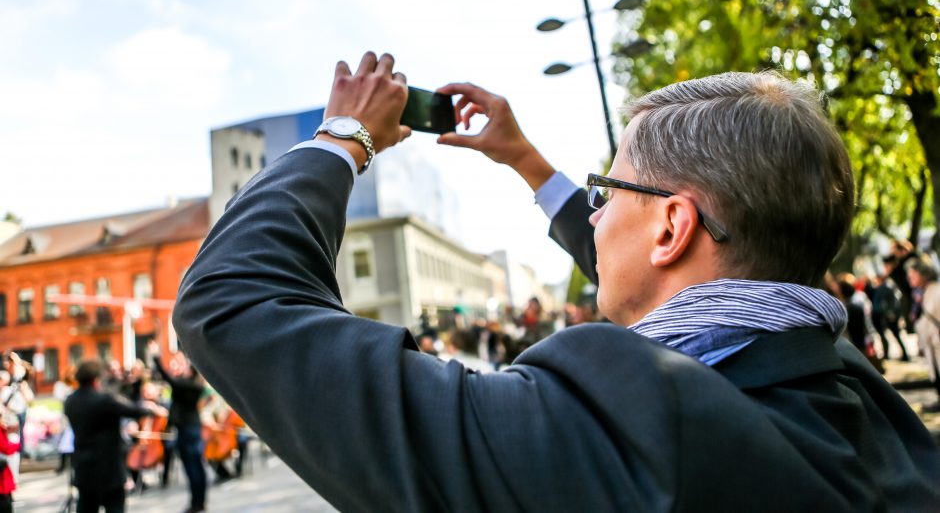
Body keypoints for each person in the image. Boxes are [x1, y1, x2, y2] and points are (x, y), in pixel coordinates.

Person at [173, 53, 940, 511]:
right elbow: (658, 276)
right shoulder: (854, 392)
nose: (595, 216)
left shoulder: (617, 428)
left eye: (606, 194)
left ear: (672, 227)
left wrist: (343, 139)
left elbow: (231, 301)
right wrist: (527, 163)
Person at [63, 360, 155, 513]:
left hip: (84, 469)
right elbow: (134, 410)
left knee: (86, 507)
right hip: (109, 470)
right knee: (115, 508)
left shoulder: (70, 401)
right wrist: (150, 409)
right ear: (95, 379)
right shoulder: (104, 400)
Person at [148, 344, 207, 513]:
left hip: (187, 430)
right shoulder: (194, 384)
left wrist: (156, 358)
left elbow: (168, 378)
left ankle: (197, 503)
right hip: (191, 428)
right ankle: (199, 502)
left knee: (192, 467)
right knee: (196, 466)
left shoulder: (188, 385)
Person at [909, 261, 940, 411]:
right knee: (935, 373)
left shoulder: (936, 291)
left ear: (924, 275)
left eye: (913, 274)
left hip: (937, 341)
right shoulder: (920, 293)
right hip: (930, 343)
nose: (909, 277)